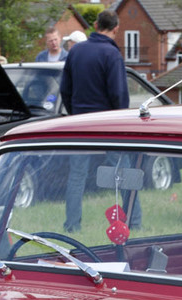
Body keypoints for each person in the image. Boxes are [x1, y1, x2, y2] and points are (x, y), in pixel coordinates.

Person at [60, 9, 136, 232]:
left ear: (94, 25)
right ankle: (135, 220)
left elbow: (65, 89)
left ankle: (72, 225)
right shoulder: (112, 55)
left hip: (80, 123)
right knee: (124, 173)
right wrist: (121, 122)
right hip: (108, 124)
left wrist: (75, 113)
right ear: (116, 29)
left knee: (76, 177)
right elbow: (118, 94)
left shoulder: (76, 52)